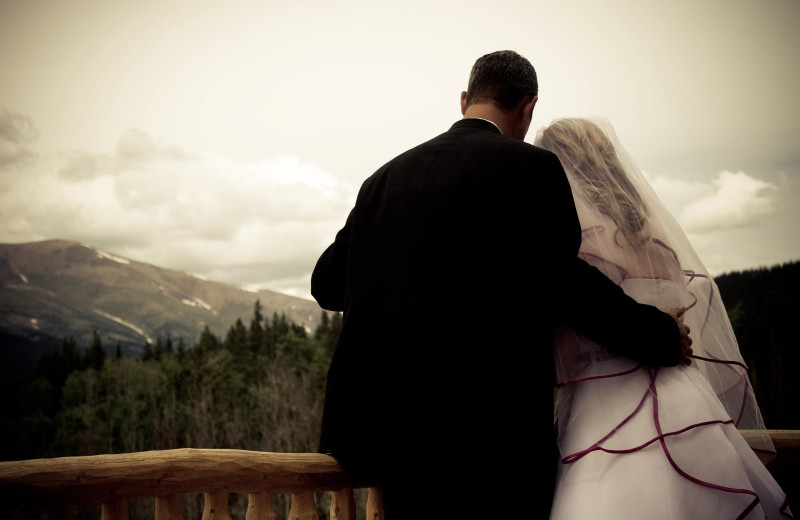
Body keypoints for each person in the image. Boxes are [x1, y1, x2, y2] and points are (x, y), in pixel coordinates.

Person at [311, 51, 690, 519]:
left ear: (465, 98)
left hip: (390, 439)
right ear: (527, 107)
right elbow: (564, 283)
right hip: (491, 440)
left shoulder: (384, 179)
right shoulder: (531, 168)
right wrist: (659, 335)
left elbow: (326, 284)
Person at [535, 117, 793, 519]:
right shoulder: (650, 227)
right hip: (685, 395)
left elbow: (582, 315)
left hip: (607, 401)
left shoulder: (576, 235)